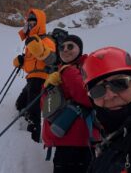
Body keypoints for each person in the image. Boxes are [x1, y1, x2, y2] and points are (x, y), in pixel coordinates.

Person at [41, 34, 100, 173]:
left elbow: (89, 98)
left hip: (82, 140)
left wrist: (67, 71)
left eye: (70, 46)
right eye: (62, 47)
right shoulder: (58, 72)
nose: (65, 49)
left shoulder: (88, 68)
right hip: (62, 139)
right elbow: (46, 109)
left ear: (80, 49)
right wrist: (48, 88)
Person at [13, 8, 56, 142]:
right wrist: (18, 61)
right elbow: (27, 63)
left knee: (34, 108)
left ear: (39, 23)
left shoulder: (47, 40)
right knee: (20, 104)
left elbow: (52, 59)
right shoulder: (30, 41)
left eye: (33, 23)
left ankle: (34, 136)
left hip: (41, 78)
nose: (31, 25)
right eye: (29, 22)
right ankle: (28, 116)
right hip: (31, 78)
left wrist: (37, 48)